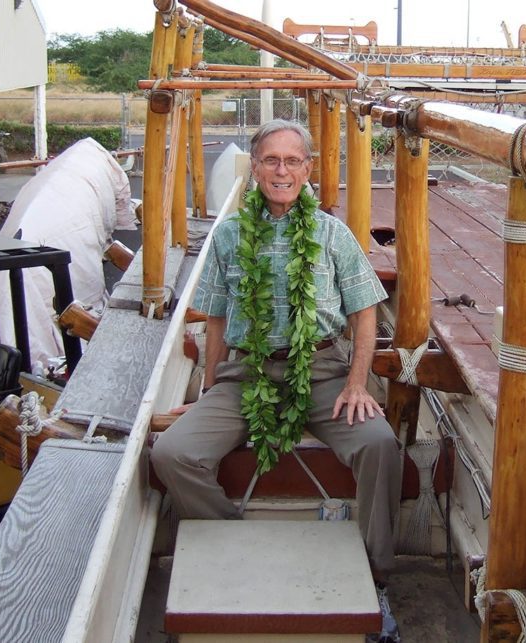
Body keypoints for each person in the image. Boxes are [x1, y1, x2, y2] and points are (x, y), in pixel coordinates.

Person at [150, 119, 402, 642]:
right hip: (246, 376)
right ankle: (235, 542)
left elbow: (364, 314)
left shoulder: (332, 233)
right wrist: (207, 389)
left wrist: (359, 384)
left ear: (308, 169)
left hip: (325, 372)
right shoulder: (228, 235)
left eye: (292, 161)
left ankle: (376, 573)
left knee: (379, 445)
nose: (281, 170)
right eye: (271, 160)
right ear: (256, 168)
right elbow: (216, 319)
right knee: (172, 454)